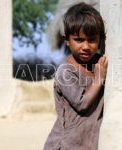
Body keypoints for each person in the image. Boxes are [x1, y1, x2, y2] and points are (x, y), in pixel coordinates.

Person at [43, 2, 108, 150]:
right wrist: (98, 79)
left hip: (89, 142)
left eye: (92, 40)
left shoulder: (98, 64)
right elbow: (82, 104)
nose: (86, 46)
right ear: (66, 40)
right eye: (79, 40)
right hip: (66, 145)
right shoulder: (66, 71)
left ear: (100, 40)